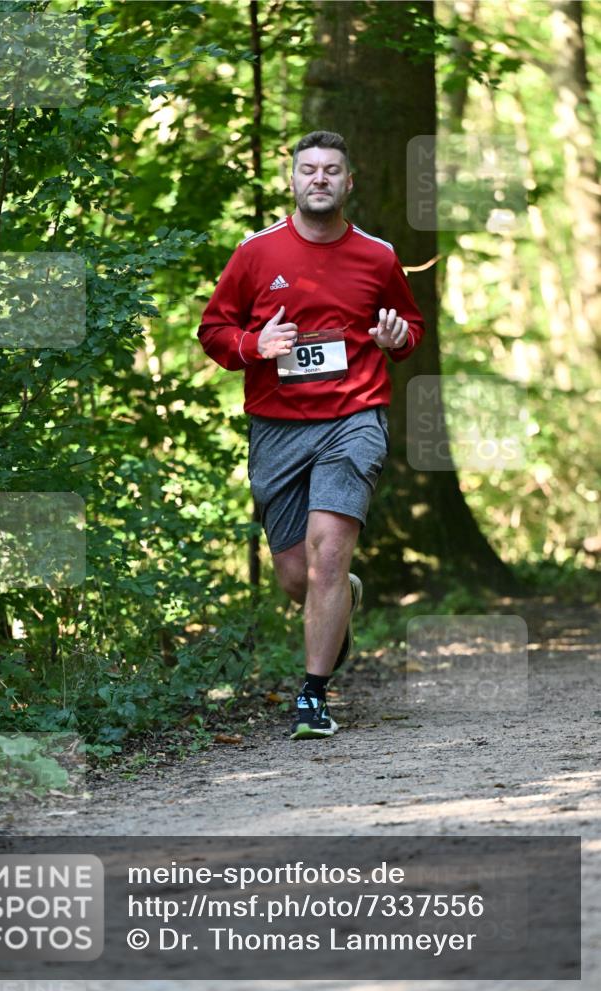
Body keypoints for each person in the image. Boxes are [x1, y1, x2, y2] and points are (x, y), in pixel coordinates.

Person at [197, 130, 425, 740]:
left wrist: (395, 339)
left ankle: (313, 696)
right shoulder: (255, 255)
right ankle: (340, 598)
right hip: (277, 427)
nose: (319, 179)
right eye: (308, 170)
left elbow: (409, 326)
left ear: (349, 183)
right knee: (300, 578)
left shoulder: (377, 256)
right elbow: (214, 331)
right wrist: (255, 345)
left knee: (327, 555)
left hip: (354, 418)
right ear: (292, 181)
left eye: (331, 171)